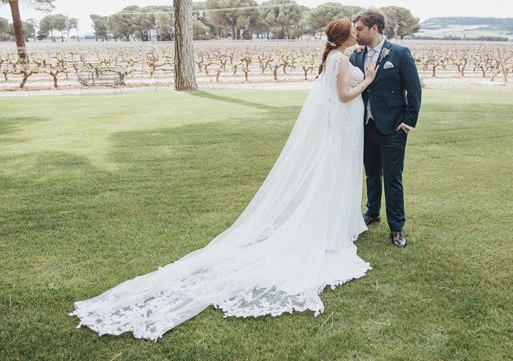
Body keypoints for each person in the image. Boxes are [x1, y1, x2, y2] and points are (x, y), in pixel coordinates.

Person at [69, 18, 378, 341]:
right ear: (344, 38)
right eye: (352, 32)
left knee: (336, 177)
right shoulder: (340, 59)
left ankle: (338, 223)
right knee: (335, 177)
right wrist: (367, 81)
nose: (357, 35)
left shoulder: (335, 57)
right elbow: (344, 95)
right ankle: (331, 230)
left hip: (343, 127)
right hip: (343, 125)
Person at [349, 8, 422, 248]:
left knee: (392, 177)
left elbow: (414, 90)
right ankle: (372, 212)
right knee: (371, 172)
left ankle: (397, 227)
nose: (355, 33)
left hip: (393, 126)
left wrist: (409, 121)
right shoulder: (356, 56)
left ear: (374, 28)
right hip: (366, 125)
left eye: (359, 29)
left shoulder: (400, 54)